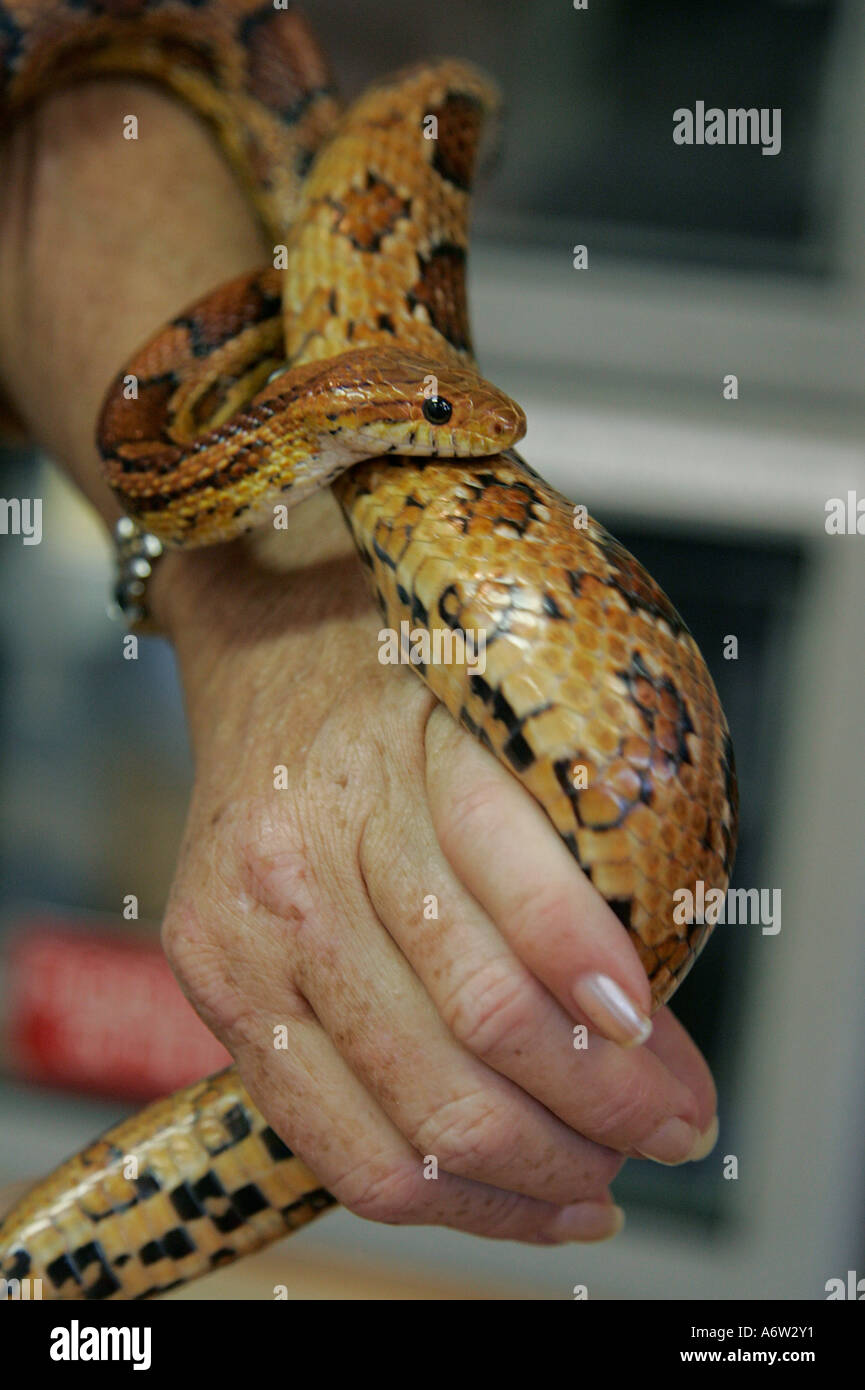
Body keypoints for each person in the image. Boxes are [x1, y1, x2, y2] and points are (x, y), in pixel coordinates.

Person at [0, 78, 717, 1248]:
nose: (483, 428)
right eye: (435, 408)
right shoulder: (271, 423)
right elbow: (46, 154)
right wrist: (275, 633)